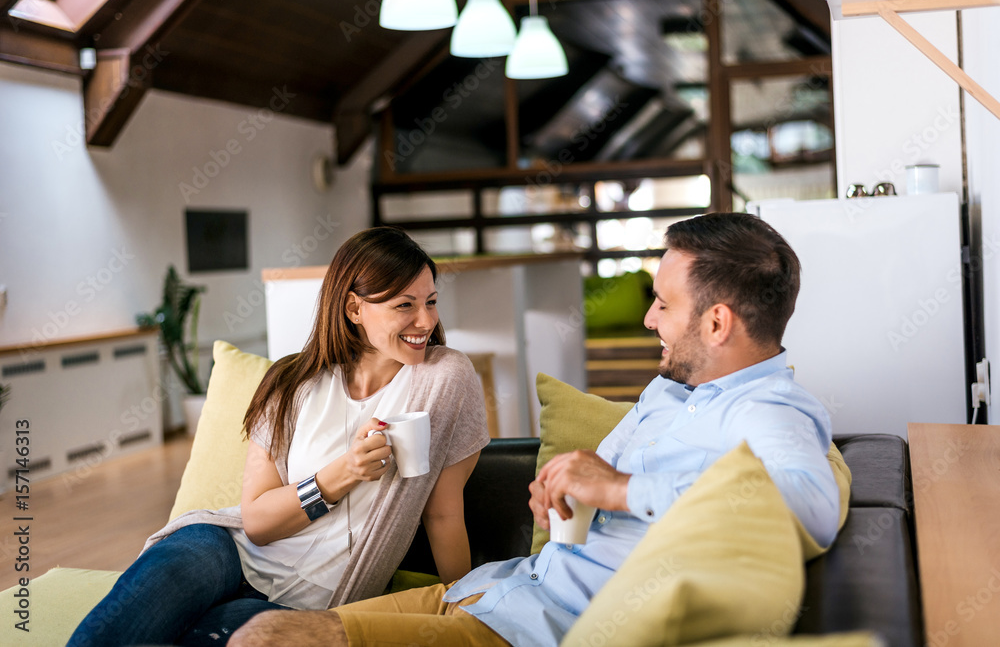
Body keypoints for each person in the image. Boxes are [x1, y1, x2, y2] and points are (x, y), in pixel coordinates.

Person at [229, 212, 842, 647]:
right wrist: (566, 495)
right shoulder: (670, 393)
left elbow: (805, 505)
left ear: (716, 323)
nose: (649, 318)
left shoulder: (768, 410)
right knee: (247, 629)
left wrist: (619, 489)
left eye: (662, 303)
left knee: (265, 639)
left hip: (536, 626)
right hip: (500, 589)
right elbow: (591, 495)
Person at [68, 227, 490, 647]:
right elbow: (256, 523)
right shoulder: (292, 380)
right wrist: (342, 474)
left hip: (310, 602)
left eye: (431, 302)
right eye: (405, 305)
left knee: (205, 635)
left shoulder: (444, 378)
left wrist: (468, 616)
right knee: (120, 625)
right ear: (353, 308)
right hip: (224, 550)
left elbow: (443, 516)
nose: (426, 320)